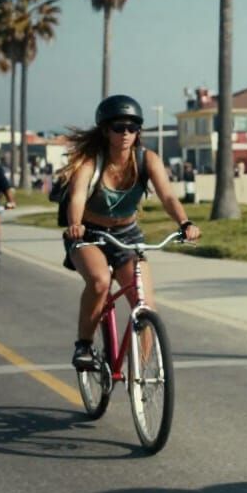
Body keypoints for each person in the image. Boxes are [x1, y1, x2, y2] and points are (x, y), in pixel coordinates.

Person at [59, 95, 201, 370]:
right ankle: (84, 346)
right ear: (105, 130)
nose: (126, 134)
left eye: (133, 128)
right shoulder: (91, 161)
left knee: (145, 304)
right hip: (89, 235)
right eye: (119, 128)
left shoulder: (147, 159)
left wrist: (185, 223)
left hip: (127, 235)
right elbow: (77, 197)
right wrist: (75, 224)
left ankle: (141, 376)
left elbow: (168, 196)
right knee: (100, 282)